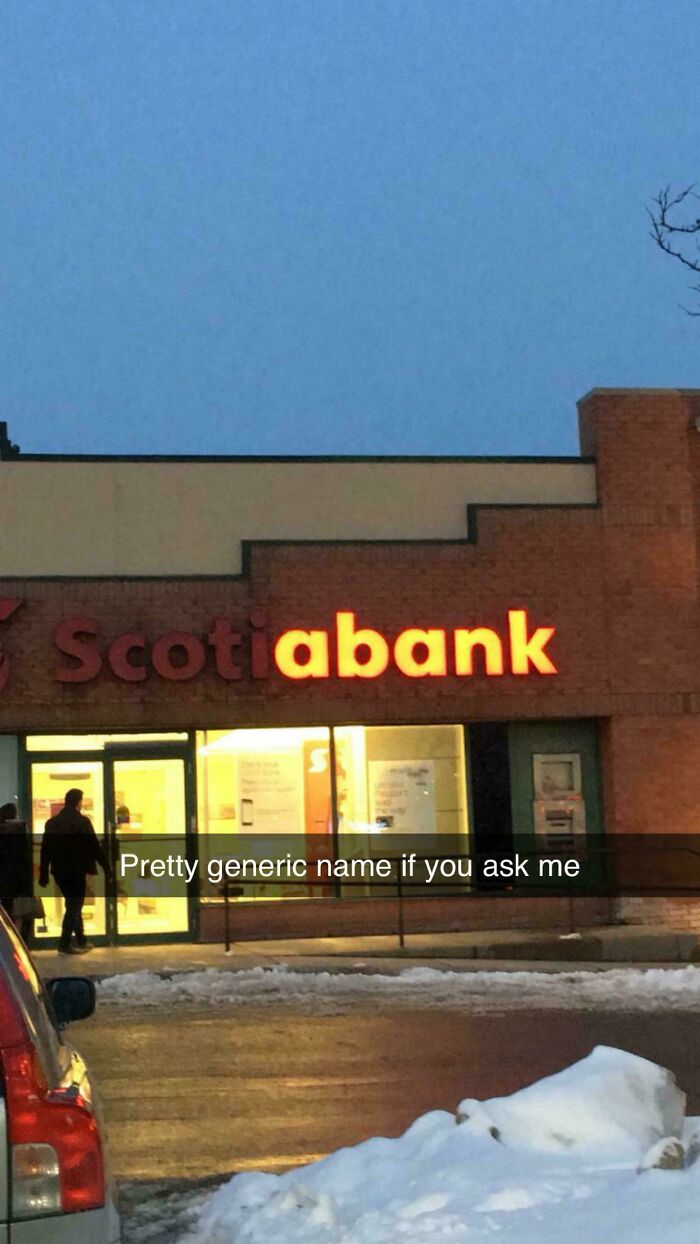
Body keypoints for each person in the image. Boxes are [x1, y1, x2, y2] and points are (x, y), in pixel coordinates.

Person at [39, 788, 111, 955]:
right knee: (74, 905)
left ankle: (81, 939)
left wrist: (44, 872)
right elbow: (94, 846)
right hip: (77, 869)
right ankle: (64, 943)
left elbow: (46, 850)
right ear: (78, 801)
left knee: (73, 903)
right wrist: (107, 868)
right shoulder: (82, 822)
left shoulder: (52, 823)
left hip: (59, 871)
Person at [0, 802, 36, 942]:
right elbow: (23, 859)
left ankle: (7, 943)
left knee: (7, 914)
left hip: (4, 882)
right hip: (18, 880)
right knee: (26, 914)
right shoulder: (19, 831)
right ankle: (22, 943)